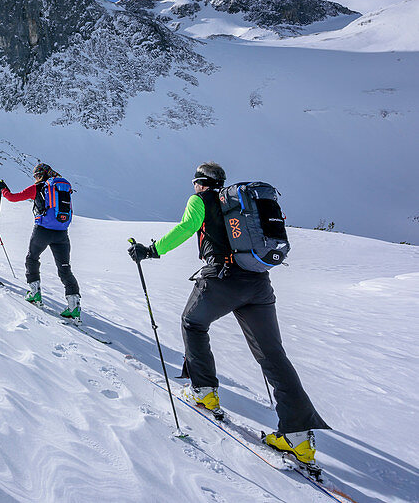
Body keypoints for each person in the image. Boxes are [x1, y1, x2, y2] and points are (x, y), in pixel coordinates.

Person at [128, 161, 329, 465]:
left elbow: (187, 227)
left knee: (192, 323)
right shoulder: (238, 205)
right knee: (272, 355)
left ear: (199, 182)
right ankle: (299, 437)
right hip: (259, 284)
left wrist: (152, 250)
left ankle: (205, 391)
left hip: (222, 280)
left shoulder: (200, 200)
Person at [0, 163, 80, 319]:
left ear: (42, 175)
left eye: (36, 175)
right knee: (65, 268)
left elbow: (13, 197)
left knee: (32, 258)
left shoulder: (38, 188)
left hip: (42, 231)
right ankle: (74, 305)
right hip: (62, 234)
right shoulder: (60, 188)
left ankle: (34, 293)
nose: (35, 178)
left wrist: (3, 188)